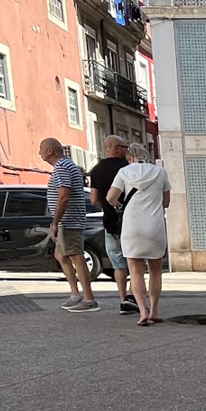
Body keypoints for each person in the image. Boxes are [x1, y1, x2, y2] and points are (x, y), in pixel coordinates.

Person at [107, 144, 171, 326]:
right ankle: (155, 310)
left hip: (132, 225)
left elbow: (110, 197)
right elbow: (166, 202)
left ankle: (142, 311)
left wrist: (121, 206)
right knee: (155, 271)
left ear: (130, 156)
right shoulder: (160, 172)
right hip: (154, 226)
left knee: (135, 272)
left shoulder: (124, 172)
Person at [39, 137, 98, 312]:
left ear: (50, 151)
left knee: (75, 255)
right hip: (68, 220)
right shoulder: (65, 167)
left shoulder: (62, 168)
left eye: (41, 148)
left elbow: (64, 195)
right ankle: (75, 294)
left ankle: (89, 298)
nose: (39, 152)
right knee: (61, 255)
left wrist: (55, 222)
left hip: (69, 220)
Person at [88, 135, 138, 316]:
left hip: (110, 222)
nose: (127, 150)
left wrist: (107, 208)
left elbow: (93, 199)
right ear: (117, 149)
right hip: (131, 222)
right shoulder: (128, 169)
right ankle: (133, 298)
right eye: (125, 147)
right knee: (135, 261)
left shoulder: (96, 170)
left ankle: (122, 299)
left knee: (118, 265)